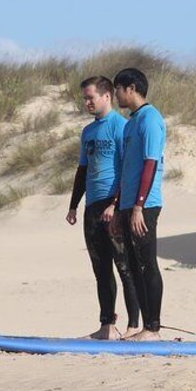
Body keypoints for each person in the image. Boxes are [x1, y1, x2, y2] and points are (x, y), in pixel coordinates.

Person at [66, 76, 141, 340]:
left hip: (114, 206)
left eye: (91, 98)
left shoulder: (121, 127)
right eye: (84, 99)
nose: (87, 103)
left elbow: (128, 169)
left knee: (124, 266)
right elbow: (82, 170)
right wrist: (74, 205)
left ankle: (133, 325)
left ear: (107, 96)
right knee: (100, 269)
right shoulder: (88, 132)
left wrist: (116, 203)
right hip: (92, 207)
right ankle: (107, 324)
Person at [112, 68, 167, 341]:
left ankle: (154, 328)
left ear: (130, 88)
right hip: (128, 205)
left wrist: (137, 207)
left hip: (145, 205)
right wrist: (119, 206)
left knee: (147, 264)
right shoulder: (131, 123)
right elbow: (126, 169)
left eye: (118, 90)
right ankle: (145, 327)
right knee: (133, 267)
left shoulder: (150, 119)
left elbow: (150, 163)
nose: (116, 95)